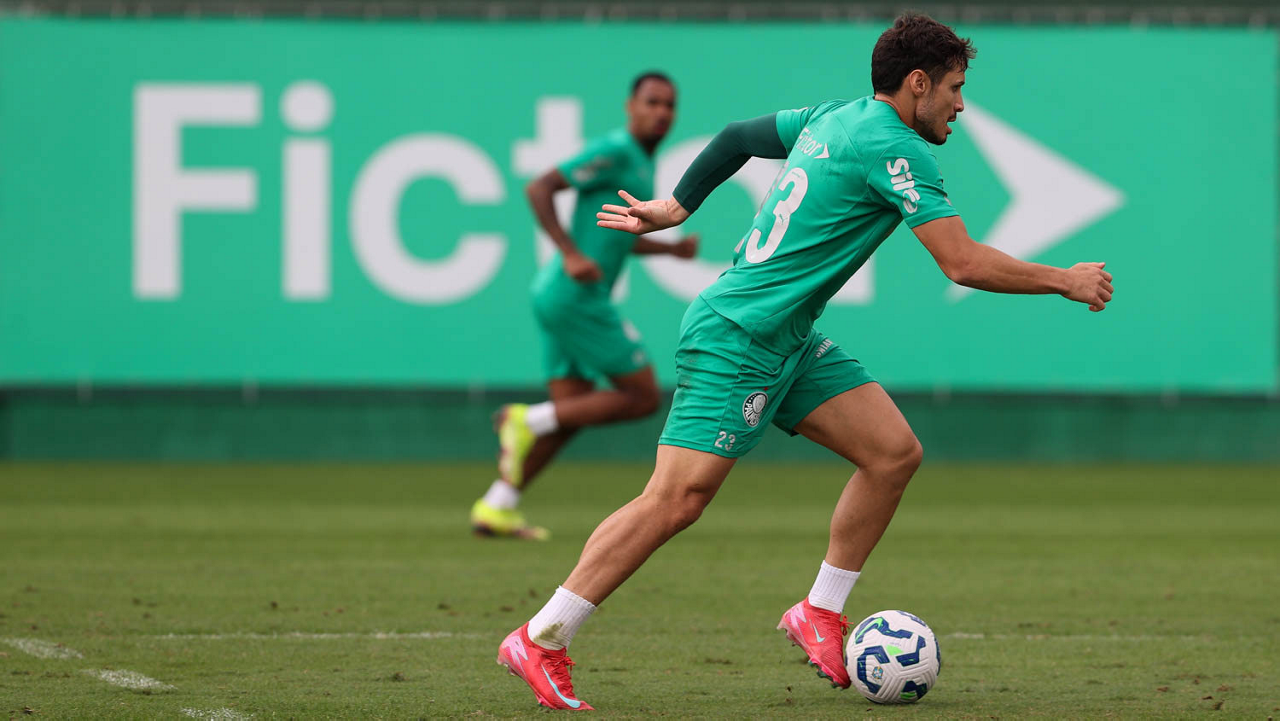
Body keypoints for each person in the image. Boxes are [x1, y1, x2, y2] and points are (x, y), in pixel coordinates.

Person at [496, 13, 1114, 710]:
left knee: (892, 453)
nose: (961, 105)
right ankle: (542, 636)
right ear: (918, 83)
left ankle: (820, 610)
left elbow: (736, 136)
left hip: (786, 335)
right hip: (739, 335)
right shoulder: (896, 146)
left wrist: (677, 206)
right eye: (955, 88)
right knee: (675, 499)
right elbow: (962, 262)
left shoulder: (834, 116)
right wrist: (1063, 279)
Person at [472, 71, 700, 541]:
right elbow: (539, 187)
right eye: (652, 102)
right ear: (630, 106)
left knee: (572, 411)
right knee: (642, 396)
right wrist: (569, 253)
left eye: (669, 105)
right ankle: (524, 418)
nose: (662, 112)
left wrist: (671, 250)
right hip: (574, 295)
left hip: (560, 295)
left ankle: (497, 504)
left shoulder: (640, 161)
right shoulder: (616, 150)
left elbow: (617, 237)